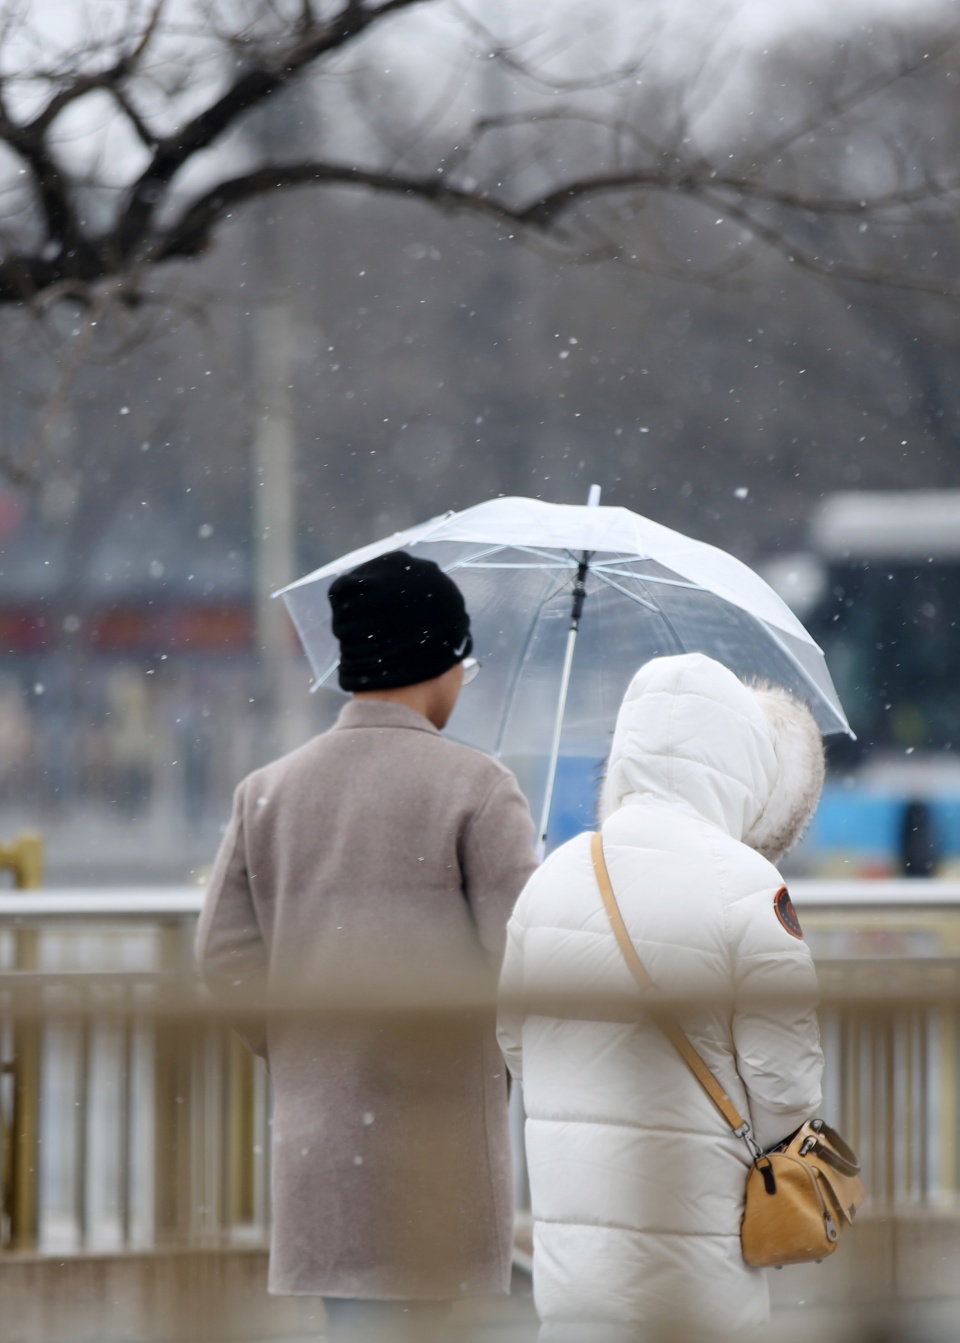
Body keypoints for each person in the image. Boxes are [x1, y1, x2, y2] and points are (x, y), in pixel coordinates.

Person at [196, 550, 536, 1341]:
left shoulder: (268, 790)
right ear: (441, 661)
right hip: (441, 1132)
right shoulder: (479, 788)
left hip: (321, 1135)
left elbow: (222, 957)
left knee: (351, 1321)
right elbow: (524, 966)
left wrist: (304, 1040)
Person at [497, 653, 825, 1341]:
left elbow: (516, 1042)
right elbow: (786, 1087)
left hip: (573, 1254)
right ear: (741, 760)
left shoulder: (553, 875)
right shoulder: (749, 886)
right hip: (699, 1246)